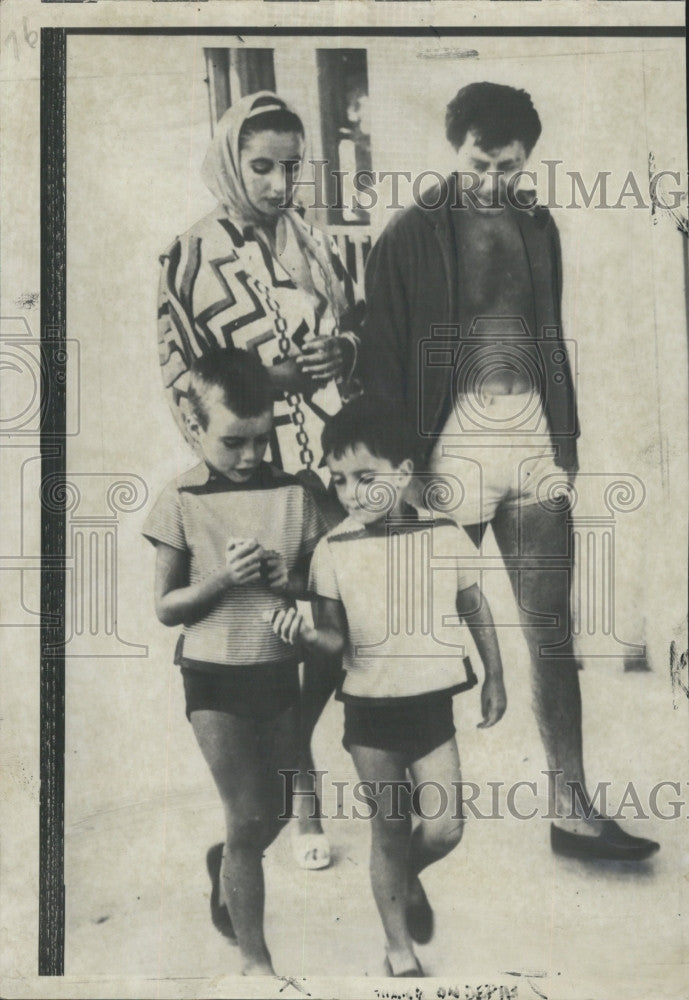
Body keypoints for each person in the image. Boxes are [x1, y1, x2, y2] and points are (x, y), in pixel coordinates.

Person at [358, 82, 659, 861]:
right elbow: (382, 360)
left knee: (551, 632)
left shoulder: (537, 223)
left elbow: (545, 331)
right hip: (447, 444)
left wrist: (566, 441)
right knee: (413, 630)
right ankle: (404, 810)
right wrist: (398, 469)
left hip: (530, 438)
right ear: (454, 150)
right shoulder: (409, 232)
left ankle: (571, 810)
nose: (494, 179)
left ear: (529, 158)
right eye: (480, 163)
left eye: (510, 164)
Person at [157, 90, 362, 872]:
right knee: (270, 628)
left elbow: (350, 321)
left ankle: (293, 759)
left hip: (323, 462)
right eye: (262, 166)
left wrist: (339, 353)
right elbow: (183, 378)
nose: (278, 184)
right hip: (254, 468)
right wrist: (262, 385)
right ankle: (293, 803)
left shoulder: (311, 241)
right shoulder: (189, 252)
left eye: (290, 167)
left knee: (330, 625)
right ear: (231, 162)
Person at [266, 397, 507, 977]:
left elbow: (476, 607)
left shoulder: (445, 535)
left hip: (431, 708)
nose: (350, 493)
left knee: (446, 828)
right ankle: (399, 950)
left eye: (366, 477)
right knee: (390, 830)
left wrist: (495, 675)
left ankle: (405, 878)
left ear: (404, 472)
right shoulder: (332, 551)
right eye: (339, 480)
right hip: (371, 716)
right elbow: (333, 641)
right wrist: (302, 635)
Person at [142, 348, 328, 975]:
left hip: (277, 668)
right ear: (193, 427)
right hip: (213, 673)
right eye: (232, 441)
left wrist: (288, 579)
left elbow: (315, 585)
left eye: (262, 438)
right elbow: (168, 608)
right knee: (246, 812)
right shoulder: (180, 499)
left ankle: (225, 861)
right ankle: (257, 963)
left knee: (271, 813)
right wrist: (222, 579)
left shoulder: (293, 494)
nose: (251, 456)